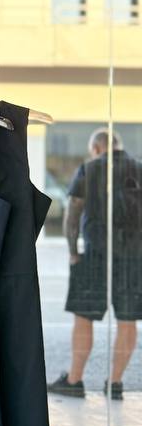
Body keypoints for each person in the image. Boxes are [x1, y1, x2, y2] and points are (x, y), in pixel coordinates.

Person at [49, 129, 142, 399]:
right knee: (127, 321)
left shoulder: (89, 169)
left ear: (97, 148)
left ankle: (74, 380)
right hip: (134, 257)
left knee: (84, 317)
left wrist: (73, 252)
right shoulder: (139, 168)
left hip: (95, 255)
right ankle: (115, 383)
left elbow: (72, 214)